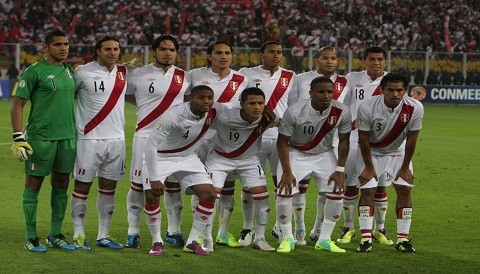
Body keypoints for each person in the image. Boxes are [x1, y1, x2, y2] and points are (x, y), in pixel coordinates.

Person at [124, 35, 190, 255]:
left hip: (173, 140)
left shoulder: (184, 76)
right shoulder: (138, 75)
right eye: (163, 49)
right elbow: (124, 95)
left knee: (172, 187)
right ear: (154, 52)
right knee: (138, 186)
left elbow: (189, 102)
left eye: (172, 49)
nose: (168, 53)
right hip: (145, 136)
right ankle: (133, 230)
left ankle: (173, 230)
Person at [11, 29, 76, 252]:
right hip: (40, 139)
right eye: (58, 44)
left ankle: (55, 234)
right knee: (34, 184)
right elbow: (18, 104)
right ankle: (30, 235)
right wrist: (18, 137)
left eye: (66, 44)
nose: (63, 48)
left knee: (61, 184)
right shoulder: (34, 72)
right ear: (46, 48)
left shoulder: (69, 70)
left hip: (67, 137)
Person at [276, 76, 351, 253]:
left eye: (330, 92)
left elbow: (344, 141)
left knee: (337, 190)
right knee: (284, 191)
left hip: (324, 154)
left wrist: (340, 169)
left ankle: (324, 239)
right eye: (321, 91)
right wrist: (287, 171)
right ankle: (287, 237)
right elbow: (282, 142)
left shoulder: (342, 111)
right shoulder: (295, 111)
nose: (326, 96)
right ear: (311, 93)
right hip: (296, 153)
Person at [186, 40, 248, 251]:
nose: (224, 56)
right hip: (199, 138)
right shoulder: (194, 75)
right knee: (201, 186)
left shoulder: (242, 79)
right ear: (209, 56)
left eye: (228, 52)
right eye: (219, 53)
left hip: (227, 140)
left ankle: (222, 232)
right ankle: (201, 235)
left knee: (227, 188)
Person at [143, 85, 220, 256]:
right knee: (151, 195)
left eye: (209, 98)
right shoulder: (174, 115)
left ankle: (192, 241)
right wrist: (154, 178)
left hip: (187, 158)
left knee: (209, 194)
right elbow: (150, 146)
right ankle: (157, 241)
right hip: (161, 156)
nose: (206, 102)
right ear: (191, 98)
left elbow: (235, 110)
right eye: (201, 98)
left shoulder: (213, 112)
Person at [355, 72, 423, 253]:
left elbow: (412, 140)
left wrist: (405, 167)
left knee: (405, 189)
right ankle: (366, 239)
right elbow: (363, 139)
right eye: (391, 90)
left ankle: (403, 239)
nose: (395, 94)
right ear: (382, 90)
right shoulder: (367, 107)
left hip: (398, 153)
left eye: (399, 90)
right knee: (368, 190)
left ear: (405, 91)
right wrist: (369, 167)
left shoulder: (415, 107)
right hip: (371, 152)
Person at [238, 41, 297, 246]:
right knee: (250, 183)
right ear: (260, 54)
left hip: (280, 136)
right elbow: (241, 102)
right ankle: (247, 228)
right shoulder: (246, 74)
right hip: (254, 135)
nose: (275, 55)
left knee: (279, 181)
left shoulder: (290, 77)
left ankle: (279, 227)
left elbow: (294, 108)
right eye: (271, 52)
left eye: (279, 52)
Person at [70, 36, 126, 250]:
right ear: (97, 51)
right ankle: (78, 234)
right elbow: (68, 97)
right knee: (82, 185)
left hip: (117, 140)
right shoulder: (82, 72)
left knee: (109, 187)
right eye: (108, 49)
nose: (113, 53)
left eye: (116, 49)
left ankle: (103, 235)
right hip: (89, 139)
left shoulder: (123, 72)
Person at [205, 87, 277, 252]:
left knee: (262, 198)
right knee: (211, 197)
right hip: (220, 160)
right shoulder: (224, 117)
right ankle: (208, 238)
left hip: (248, 161)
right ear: (241, 104)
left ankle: (259, 238)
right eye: (252, 103)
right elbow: (202, 114)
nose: (257, 107)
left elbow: (287, 125)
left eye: (260, 103)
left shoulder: (267, 118)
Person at [294, 46, 349, 244]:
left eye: (333, 58)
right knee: (300, 185)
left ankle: (318, 230)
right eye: (325, 58)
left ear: (337, 61)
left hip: (331, 141)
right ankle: (298, 228)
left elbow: (345, 111)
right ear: (317, 60)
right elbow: (294, 105)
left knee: (328, 189)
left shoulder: (345, 82)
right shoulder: (300, 79)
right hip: (302, 139)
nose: (329, 61)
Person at [336, 46, 392, 245]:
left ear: (385, 62)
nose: (375, 63)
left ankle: (380, 228)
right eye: (371, 59)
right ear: (364, 61)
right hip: (353, 137)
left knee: (380, 185)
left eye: (379, 59)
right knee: (351, 183)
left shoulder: (391, 82)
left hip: (382, 140)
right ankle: (348, 227)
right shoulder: (353, 79)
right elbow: (341, 103)